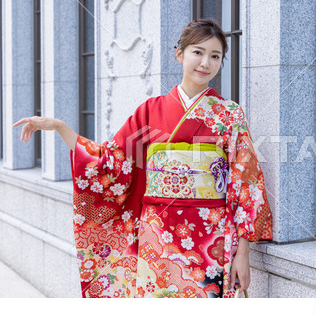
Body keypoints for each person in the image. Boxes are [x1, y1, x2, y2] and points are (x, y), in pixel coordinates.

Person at [13, 19, 272, 298]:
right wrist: (61, 127)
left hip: (210, 234)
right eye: (198, 52)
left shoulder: (230, 115)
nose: (205, 63)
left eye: (215, 56)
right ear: (180, 54)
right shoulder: (150, 111)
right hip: (157, 234)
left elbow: (246, 183)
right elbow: (111, 162)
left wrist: (242, 253)